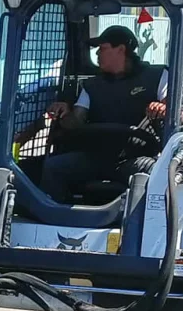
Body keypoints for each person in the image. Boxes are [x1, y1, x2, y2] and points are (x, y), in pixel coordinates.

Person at [34, 25, 169, 203]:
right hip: (96, 157)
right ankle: (54, 218)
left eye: (103, 48)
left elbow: (176, 113)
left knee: (158, 174)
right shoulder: (92, 86)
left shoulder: (156, 76)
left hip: (136, 157)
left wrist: (162, 108)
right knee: (53, 167)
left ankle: (148, 225)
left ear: (121, 49)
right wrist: (66, 113)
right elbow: (76, 121)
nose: (97, 54)